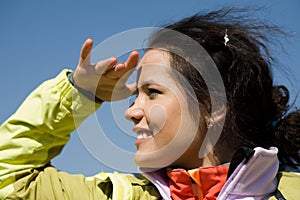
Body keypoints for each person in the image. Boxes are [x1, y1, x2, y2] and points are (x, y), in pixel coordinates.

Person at [0, 8, 300, 200]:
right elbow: (8, 179)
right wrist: (79, 93)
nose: (131, 111)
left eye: (153, 92)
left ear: (213, 106)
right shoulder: (112, 196)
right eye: (134, 95)